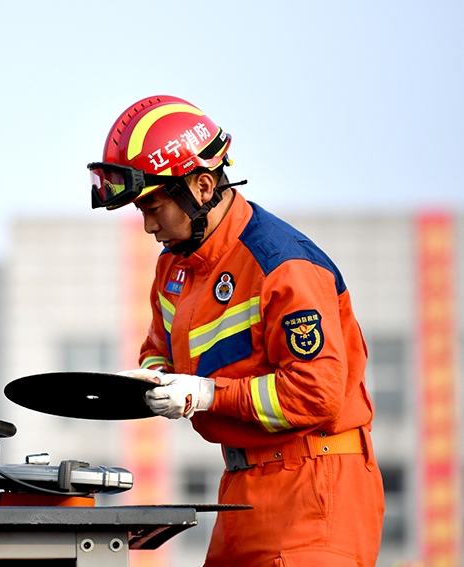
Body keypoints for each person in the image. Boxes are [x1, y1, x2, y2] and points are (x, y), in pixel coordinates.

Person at [89, 96, 384, 566]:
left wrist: (207, 395)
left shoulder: (283, 265)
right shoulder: (174, 267)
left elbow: (317, 393)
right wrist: (151, 379)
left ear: (202, 186)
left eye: (154, 206)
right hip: (242, 489)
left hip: (316, 491)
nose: (146, 225)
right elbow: (158, 351)